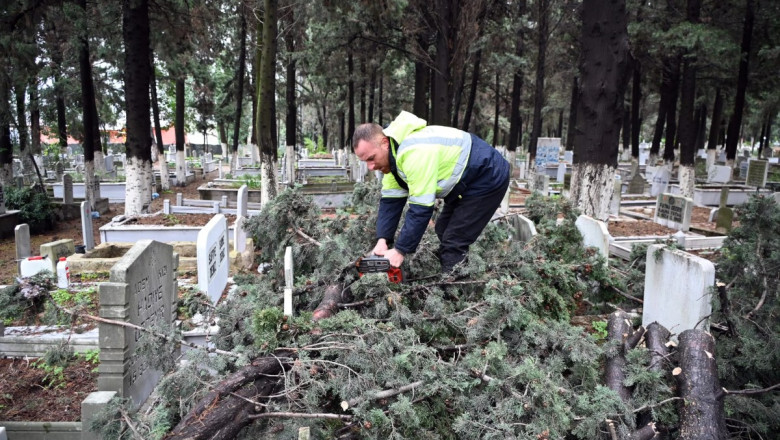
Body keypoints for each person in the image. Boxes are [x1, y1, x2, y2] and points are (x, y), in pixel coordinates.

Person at [353, 111, 510, 273]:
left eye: (371, 158)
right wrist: (382, 240)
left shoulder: (414, 152)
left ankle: (454, 289)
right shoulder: (393, 158)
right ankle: (457, 269)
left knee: (454, 241)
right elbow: (390, 203)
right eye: (366, 162)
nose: (370, 167)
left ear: (384, 142)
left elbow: (421, 208)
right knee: (442, 229)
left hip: (487, 174)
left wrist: (400, 251)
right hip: (466, 180)